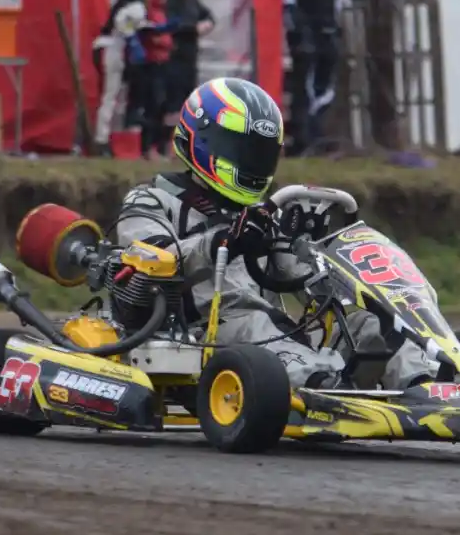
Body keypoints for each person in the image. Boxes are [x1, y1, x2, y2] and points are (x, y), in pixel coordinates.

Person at [115, 76, 438, 390]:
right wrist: (223, 241)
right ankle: (327, 388)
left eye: (259, 152)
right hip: (205, 335)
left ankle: (424, 386)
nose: (251, 162)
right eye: (241, 149)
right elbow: (151, 261)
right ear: (202, 139)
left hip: (276, 334)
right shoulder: (151, 199)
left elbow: (308, 288)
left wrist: (311, 252)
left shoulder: (266, 213)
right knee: (255, 324)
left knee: (372, 323)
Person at [282, 0, 342, 156]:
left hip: (327, 36)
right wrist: (297, 32)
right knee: (303, 88)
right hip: (306, 37)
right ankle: (302, 139)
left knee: (325, 88)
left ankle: (318, 136)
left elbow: (335, 1)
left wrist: (337, 28)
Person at [91, 0, 152, 157]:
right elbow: (121, 21)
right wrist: (132, 39)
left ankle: (106, 137)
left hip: (102, 47)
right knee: (111, 96)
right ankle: (101, 140)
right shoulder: (136, 6)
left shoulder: (123, 1)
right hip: (114, 51)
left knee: (109, 95)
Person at [163, 0, 215, 115]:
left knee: (190, 95)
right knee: (174, 97)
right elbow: (173, 24)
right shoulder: (169, 0)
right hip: (173, 56)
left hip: (190, 55)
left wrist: (207, 24)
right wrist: (194, 29)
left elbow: (208, 15)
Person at [132, 0, 175, 160]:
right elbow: (151, 36)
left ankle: (158, 145)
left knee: (161, 106)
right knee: (153, 105)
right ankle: (148, 147)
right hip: (151, 65)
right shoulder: (145, 11)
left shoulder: (161, 11)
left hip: (163, 64)